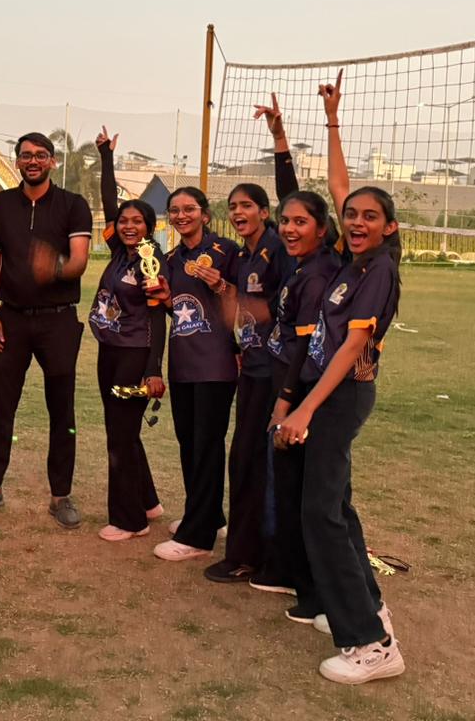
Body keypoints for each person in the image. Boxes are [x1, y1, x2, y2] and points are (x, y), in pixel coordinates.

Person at [277, 72, 405, 685]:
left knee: (320, 514)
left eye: (369, 217)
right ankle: (367, 607)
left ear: (389, 228)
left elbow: (354, 344)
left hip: (341, 394)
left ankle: (370, 643)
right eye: (351, 215)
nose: (356, 221)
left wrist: (304, 409)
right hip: (329, 392)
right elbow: (338, 186)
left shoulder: (379, 270)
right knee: (337, 507)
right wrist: (331, 121)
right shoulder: (353, 261)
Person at [0, 132, 92, 528]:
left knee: (62, 408)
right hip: (12, 318)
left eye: (41, 155)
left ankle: (61, 496)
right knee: (1, 404)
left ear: (52, 161)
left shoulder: (73, 205)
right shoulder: (1, 204)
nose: (33, 161)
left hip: (58, 320)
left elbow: (79, 262)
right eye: (26, 155)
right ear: (18, 161)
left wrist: (53, 268)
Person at [252, 92, 341, 624]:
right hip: (288, 383)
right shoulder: (301, 265)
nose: (288, 228)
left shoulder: (323, 271)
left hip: (305, 391)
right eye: (284, 222)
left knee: (310, 496)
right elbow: (296, 199)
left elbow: (307, 347)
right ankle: (296, 577)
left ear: (324, 230)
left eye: (300, 223)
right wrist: (280, 140)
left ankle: (321, 594)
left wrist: (285, 403)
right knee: (288, 488)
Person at [203, 176, 295, 588]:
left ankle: (257, 558)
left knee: (258, 463)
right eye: (233, 206)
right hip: (253, 368)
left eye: (246, 205)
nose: (238, 212)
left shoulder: (279, 250)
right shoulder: (244, 255)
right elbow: (240, 310)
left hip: (277, 371)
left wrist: (250, 308)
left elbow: (283, 308)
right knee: (244, 460)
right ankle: (250, 553)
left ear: (264, 211)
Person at [153, 186, 240, 562]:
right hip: (183, 363)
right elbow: (181, 309)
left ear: (205, 214)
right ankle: (207, 515)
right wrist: (164, 299)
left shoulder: (227, 250)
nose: (181, 216)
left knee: (207, 445)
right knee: (189, 443)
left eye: (189, 209)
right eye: (174, 210)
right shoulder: (172, 258)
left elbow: (242, 301)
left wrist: (219, 283)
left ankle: (198, 536)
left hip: (216, 363)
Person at [89, 127, 168, 542]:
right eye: (124, 220)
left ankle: (129, 520)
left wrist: (153, 369)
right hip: (111, 351)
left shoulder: (150, 261)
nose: (128, 225)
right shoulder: (121, 251)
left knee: (120, 436)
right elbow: (108, 203)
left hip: (135, 356)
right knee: (123, 430)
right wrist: (106, 158)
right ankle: (148, 502)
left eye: (138, 221)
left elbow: (158, 319)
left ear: (150, 226)